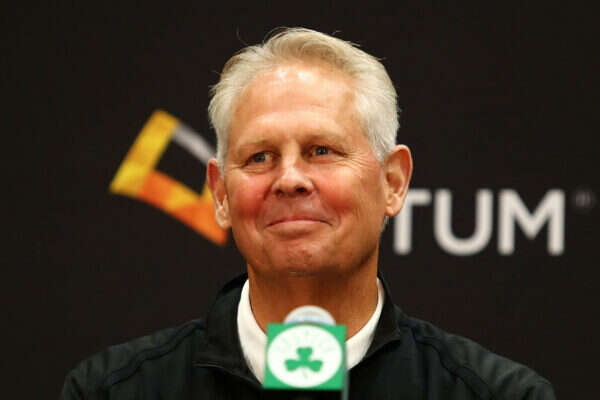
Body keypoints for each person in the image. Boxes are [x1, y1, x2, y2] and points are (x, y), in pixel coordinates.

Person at [62, 28, 555, 399]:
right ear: (221, 194)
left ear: (392, 182)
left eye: (321, 151)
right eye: (260, 157)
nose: (290, 179)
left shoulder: (500, 395)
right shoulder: (111, 390)